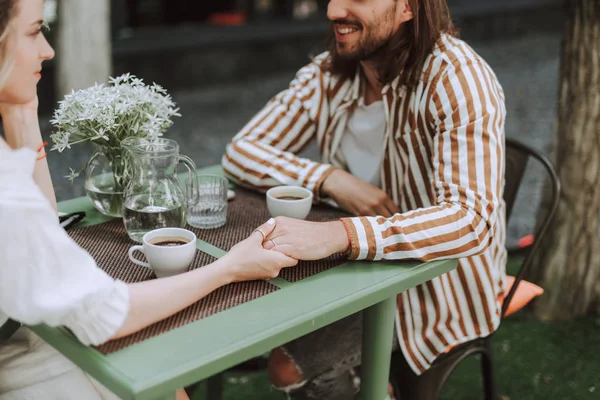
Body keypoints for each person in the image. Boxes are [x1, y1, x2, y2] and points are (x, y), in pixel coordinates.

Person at [0, 1, 298, 399]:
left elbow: (41, 226)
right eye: (35, 31)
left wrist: (22, 112)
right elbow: (107, 314)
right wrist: (231, 267)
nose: (48, 51)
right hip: (17, 357)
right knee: (159, 380)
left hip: (24, 334)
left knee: (169, 388)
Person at [223, 0, 507, 398]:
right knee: (232, 308)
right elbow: (242, 150)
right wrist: (331, 179)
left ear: (409, 7)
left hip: (436, 280)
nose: (334, 10)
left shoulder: (457, 78)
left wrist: (342, 234)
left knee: (286, 367)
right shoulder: (329, 73)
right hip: (347, 266)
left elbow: (470, 219)